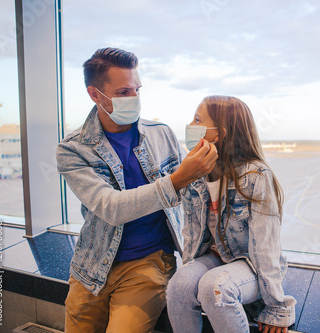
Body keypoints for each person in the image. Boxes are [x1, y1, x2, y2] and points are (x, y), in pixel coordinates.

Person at [56, 47, 218, 333]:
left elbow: (198, 190)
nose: (134, 99)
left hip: (149, 263)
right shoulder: (72, 150)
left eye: (137, 89)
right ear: (95, 95)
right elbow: (111, 207)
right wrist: (176, 180)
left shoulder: (162, 134)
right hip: (92, 265)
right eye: (122, 92)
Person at [166, 96, 296, 333]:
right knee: (178, 285)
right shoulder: (195, 175)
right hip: (217, 257)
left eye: (197, 119)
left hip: (251, 265)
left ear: (219, 134)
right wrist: (188, 273)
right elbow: (192, 236)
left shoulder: (256, 175)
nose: (190, 125)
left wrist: (276, 307)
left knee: (214, 287)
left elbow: (265, 247)